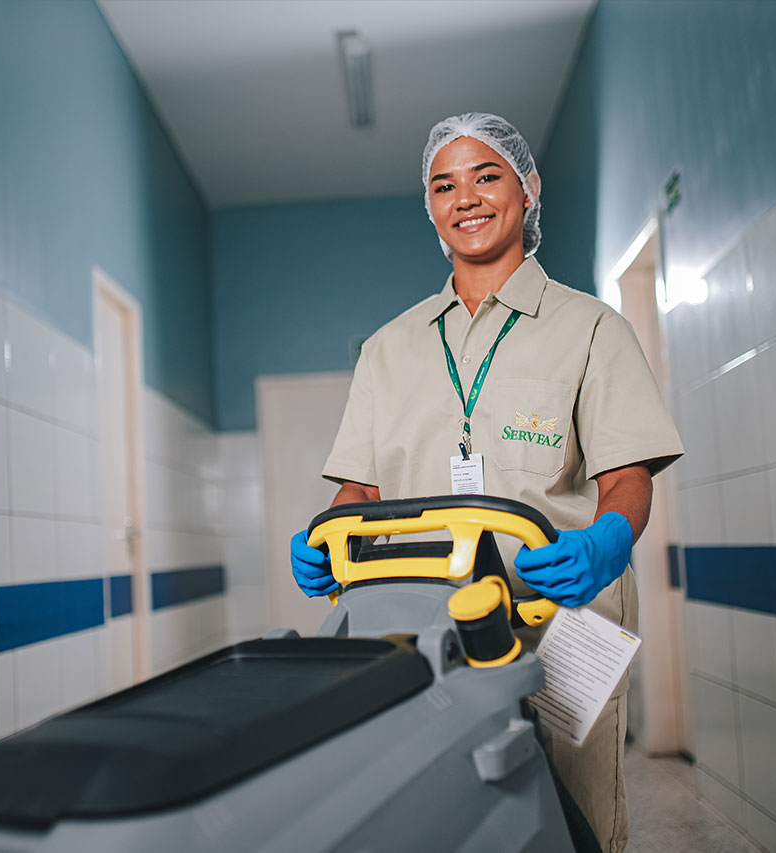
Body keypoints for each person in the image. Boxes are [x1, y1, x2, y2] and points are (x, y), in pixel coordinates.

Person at [290, 112, 684, 852]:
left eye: (486, 176)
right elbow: (360, 492)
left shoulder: (591, 328)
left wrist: (606, 539)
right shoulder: (388, 349)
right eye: (444, 185)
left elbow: (627, 474)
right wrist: (325, 536)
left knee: (573, 811)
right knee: (449, 806)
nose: (465, 198)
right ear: (430, 207)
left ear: (526, 189)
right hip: (424, 618)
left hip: (565, 617)